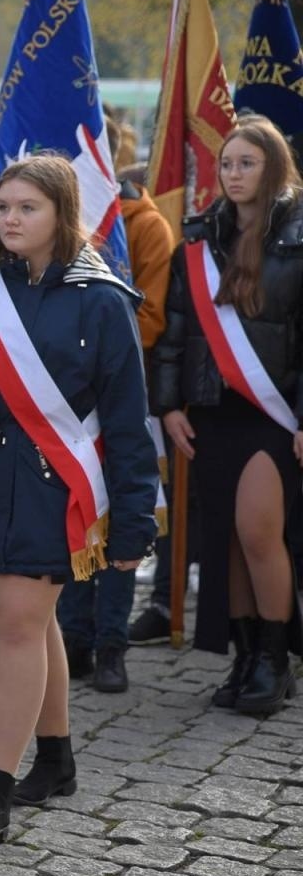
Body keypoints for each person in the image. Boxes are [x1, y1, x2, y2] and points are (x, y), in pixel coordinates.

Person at [0, 155, 157, 841]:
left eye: (29, 208)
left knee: (18, 623)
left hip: (60, 491)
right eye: (4, 207)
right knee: (35, 619)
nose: (12, 218)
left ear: (63, 216)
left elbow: (126, 419)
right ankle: (55, 759)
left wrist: (135, 527)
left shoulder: (102, 302)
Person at [152, 116, 303, 715]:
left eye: (247, 163)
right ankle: (245, 654)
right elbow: (175, 331)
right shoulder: (199, 237)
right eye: (227, 164)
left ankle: (276, 659)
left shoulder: (298, 235)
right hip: (212, 410)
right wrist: (166, 404)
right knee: (230, 543)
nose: (234, 174)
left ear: (272, 167)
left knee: (259, 533)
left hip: (275, 410)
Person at [58, 115, 175, 692]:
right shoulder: (56, 229)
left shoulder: (145, 227)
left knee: (124, 518)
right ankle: (74, 638)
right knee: (76, 513)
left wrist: (104, 343)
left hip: (128, 395)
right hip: (66, 404)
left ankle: (112, 645)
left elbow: (150, 316)